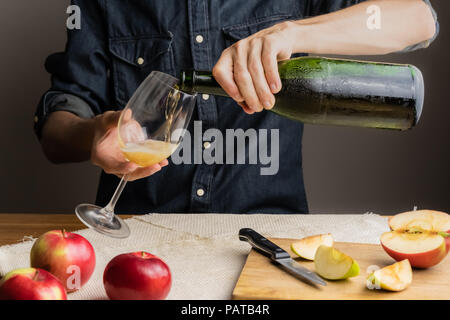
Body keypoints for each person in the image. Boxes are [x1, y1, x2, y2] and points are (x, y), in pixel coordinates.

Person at [35, 0, 438, 214]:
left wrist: (295, 32)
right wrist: (95, 133)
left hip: (268, 237)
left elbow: (418, 18)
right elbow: (56, 131)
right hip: (142, 235)